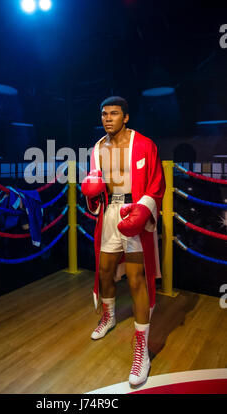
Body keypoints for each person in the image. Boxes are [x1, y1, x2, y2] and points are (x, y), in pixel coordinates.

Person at [81, 96, 166, 387]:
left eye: (114, 114)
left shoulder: (144, 144)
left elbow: (157, 184)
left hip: (136, 211)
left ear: (126, 117)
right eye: (104, 114)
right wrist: (91, 192)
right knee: (104, 271)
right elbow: (94, 183)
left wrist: (143, 210)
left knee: (135, 279)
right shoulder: (97, 148)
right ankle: (109, 317)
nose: (107, 118)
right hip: (109, 214)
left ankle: (141, 350)